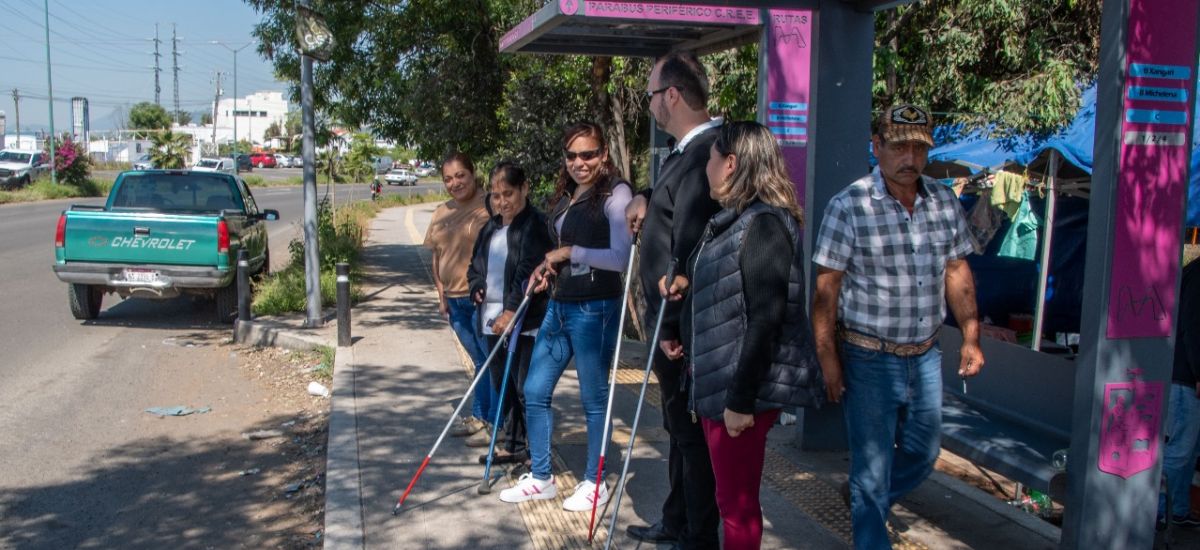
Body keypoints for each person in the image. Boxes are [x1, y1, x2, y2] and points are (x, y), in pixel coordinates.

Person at [811, 104, 985, 549]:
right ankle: (869, 512)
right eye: (899, 146)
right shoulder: (849, 206)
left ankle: (867, 499)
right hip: (868, 357)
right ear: (877, 147)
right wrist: (828, 358)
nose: (910, 157)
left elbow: (957, 271)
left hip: (925, 356)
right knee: (870, 474)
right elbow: (827, 290)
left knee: (923, 454)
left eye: (919, 147)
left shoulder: (943, 201)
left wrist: (971, 335)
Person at [659, 121, 825, 549]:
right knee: (731, 501)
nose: (706, 170)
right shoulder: (737, 221)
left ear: (731, 164)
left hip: (737, 391)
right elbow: (734, 293)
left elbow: (765, 319)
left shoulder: (764, 224)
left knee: (737, 508)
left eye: (712, 159)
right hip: (721, 382)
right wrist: (687, 288)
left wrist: (740, 401)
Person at [499, 122, 634, 512]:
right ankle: (541, 477)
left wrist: (569, 253)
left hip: (596, 309)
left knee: (595, 399)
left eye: (588, 154)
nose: (580, 162)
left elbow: (620, 258)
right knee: (535, 390)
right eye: (572, 155)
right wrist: (548, 268)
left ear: (603, 154)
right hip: (559, 305)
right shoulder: (569, 193)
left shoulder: (616, 193)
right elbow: (562, 251)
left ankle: (596, 482)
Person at [623, 50, 724, 549]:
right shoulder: (686, 153)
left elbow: (687, 247)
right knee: (679, 431)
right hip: (672, 324)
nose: (649, 107)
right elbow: (668, 204)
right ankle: (677, 519)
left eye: (650, 96)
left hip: (681, 328)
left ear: (672, 96)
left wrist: (669, 329)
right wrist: (644, 193)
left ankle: (697, 535)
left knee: (692, 438)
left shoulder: (708, 153)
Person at [467, 162, 554, 465]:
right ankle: (512, 443)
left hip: (522, 321)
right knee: (500, 382)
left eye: (508, 193)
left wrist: (511, 312)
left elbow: (528, 272)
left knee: (525, 385)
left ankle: (536, 451)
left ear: (524, 189)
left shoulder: (535, 225)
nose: (502, 201)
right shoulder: (490, 227)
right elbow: (475, 266)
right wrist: (476, 286)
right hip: (492, 320)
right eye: (495, 195)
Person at [425, 152, 498, 447]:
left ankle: (496, 422)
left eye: (460, 176)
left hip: (483, 299)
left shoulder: (491, 203)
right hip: (454, 301)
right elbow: (437, 256)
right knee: (479, 360)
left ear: (472, 173)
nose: (455, 183)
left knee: (491, 361)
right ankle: (481, 416)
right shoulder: (441, 212)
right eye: (448, 178)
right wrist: (441, 295)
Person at [1159, 254, 1200, 527]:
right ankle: (1157, 510)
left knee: (1189, 451)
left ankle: (1178, 511)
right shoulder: (1198, 276)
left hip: (1185, 374)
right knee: (1179, 451)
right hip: (1185, 377)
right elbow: (1193, 328)